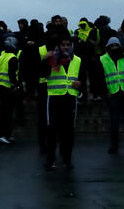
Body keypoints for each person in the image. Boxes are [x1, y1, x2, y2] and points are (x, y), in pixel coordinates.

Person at [41, 34, 82, 169]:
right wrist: (45, 59)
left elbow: (82, 76)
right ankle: (51, 159)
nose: (65, 47)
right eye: (63, 44)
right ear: (59, 46)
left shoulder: (77, 60)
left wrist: (80, 83)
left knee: (69, 130)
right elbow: (43, 74)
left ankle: (67, 159)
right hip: (54, 97)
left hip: (70, 97)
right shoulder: (52, 58)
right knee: (52, 130)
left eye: (68, 44)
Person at [100, 37, 124, 154]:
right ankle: (114, 145)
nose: (114, 48)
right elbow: (100, 77)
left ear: (120, 46)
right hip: (113, 94)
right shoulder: (102, 59)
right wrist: (105, 93)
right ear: (108, 47)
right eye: (112, 46)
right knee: (114, 122)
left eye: (116, 45)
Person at [0, 35, 19, 144]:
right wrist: (16, 85)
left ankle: (6, 135)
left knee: (4, 113)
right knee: (7, 113)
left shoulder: (1, 56)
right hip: (8, 88)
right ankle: (2, 135)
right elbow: (12, 74)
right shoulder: (13, 58)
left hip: (0, 86)